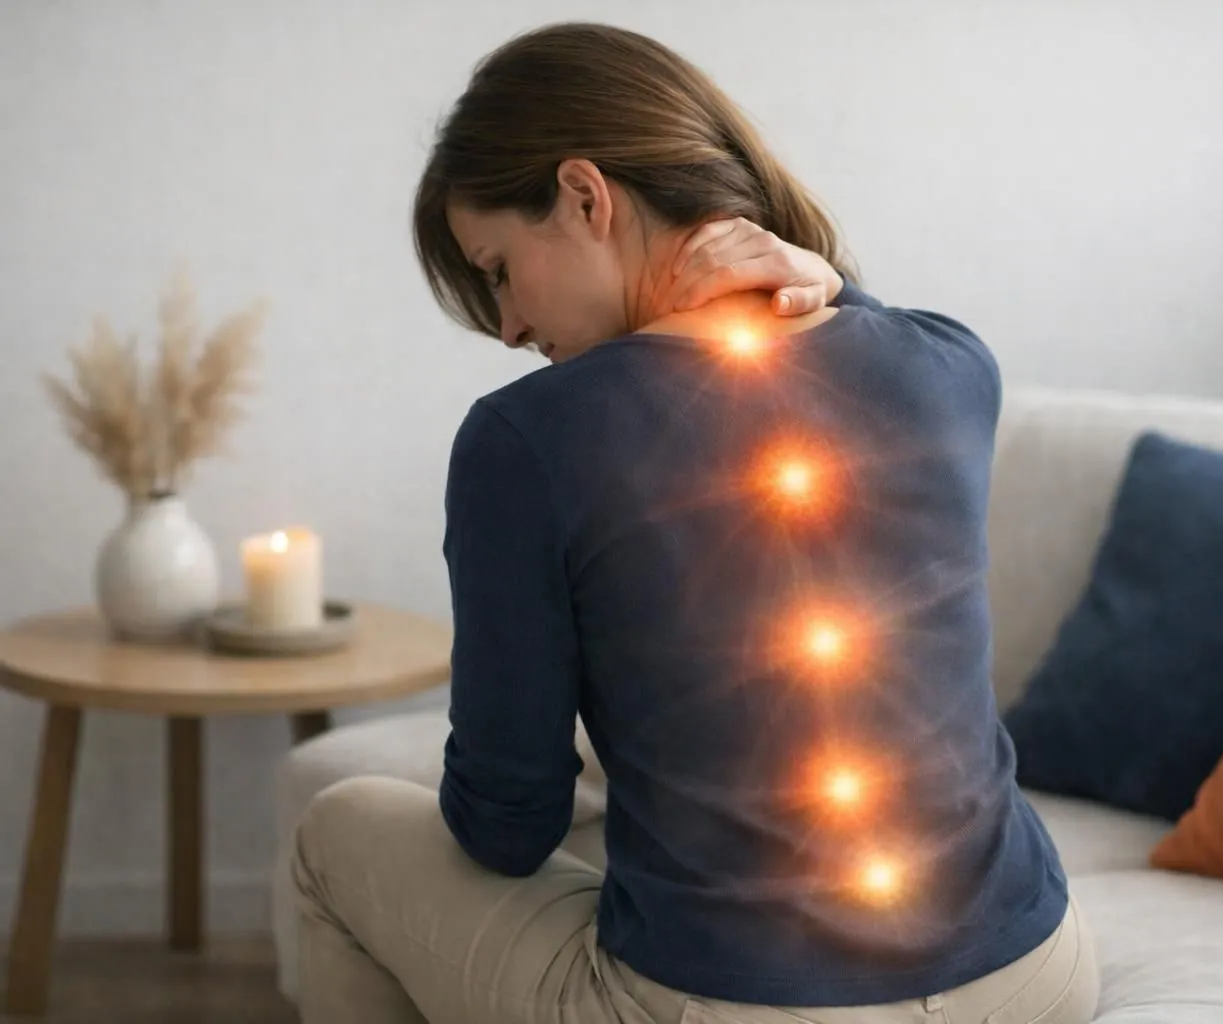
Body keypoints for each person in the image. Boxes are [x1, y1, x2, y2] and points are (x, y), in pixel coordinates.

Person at [291, 21, 1098, 1024]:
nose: (507, 327)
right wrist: (823, 278)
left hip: (742, 1007)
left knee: (337, 827)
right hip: (1035, 974)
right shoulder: (952, 364)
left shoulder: (526, 440)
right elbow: (870, 338)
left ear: (584, 196)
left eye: (497, 269)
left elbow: (508, 826)